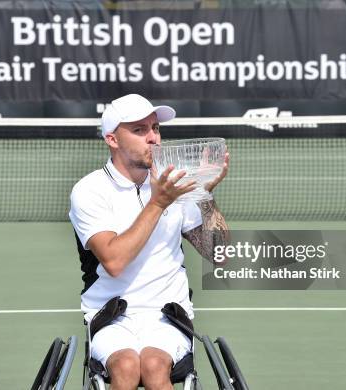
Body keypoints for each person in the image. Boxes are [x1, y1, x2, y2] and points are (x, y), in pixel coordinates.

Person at [69, 93, 229, 390]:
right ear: (112, 140)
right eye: (140, 130)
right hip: (111, 315)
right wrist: (158, 204)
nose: (153, 138)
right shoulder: (89, 191)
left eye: (155, 128)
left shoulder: (176, 186)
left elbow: (220, 254)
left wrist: (205, 195)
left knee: (154, 366)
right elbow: (114, 262)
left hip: (168, 313)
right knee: (127, 366)